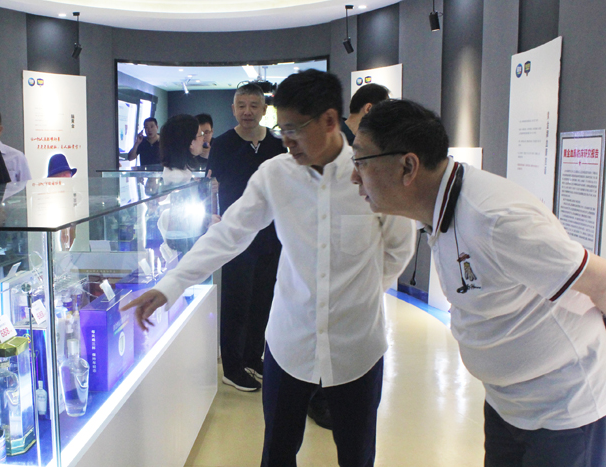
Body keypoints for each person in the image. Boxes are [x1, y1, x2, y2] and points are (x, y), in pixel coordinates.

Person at [123, 70, 415, 466]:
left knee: (357, 455)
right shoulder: (276, 175)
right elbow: (230, 233)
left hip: (357, 346)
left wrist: (361, 294)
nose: (285, 140)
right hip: (289, 341)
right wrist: (171, 284)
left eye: (294, 129)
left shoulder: (372, 173)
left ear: (330, 121)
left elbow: (398, 248)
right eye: (282, 128)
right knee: (277, 452)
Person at [351, 98, 606, 467]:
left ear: (408, 166)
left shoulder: (496, 219)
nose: (354, 176)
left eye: (360, 161)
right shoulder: (440, 210)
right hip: (507, 404)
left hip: (565, 411)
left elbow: (600, 282)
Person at [308, 81, 391, 429]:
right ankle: (321, 402)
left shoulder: (369, 151)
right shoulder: (336, 150)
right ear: (370, 110)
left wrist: (368, 287)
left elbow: (397, 243)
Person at [206, 83, 285, 392]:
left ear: (264, 109)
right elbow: (211, 186)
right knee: (236, 302)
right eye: (241, 105)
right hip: (236, 234)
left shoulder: (277, 145)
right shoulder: (223, 144)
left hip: (270, 235)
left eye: (254, 105)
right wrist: (213, 216)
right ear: (233, 109)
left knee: (263, 300)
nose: (247, 111)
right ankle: (233, 366)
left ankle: (253, 357)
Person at [159, 114, 203, 185]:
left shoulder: (182, 169)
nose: (203, 138)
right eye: (201, 134)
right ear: (190, 142)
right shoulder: (176, 177)